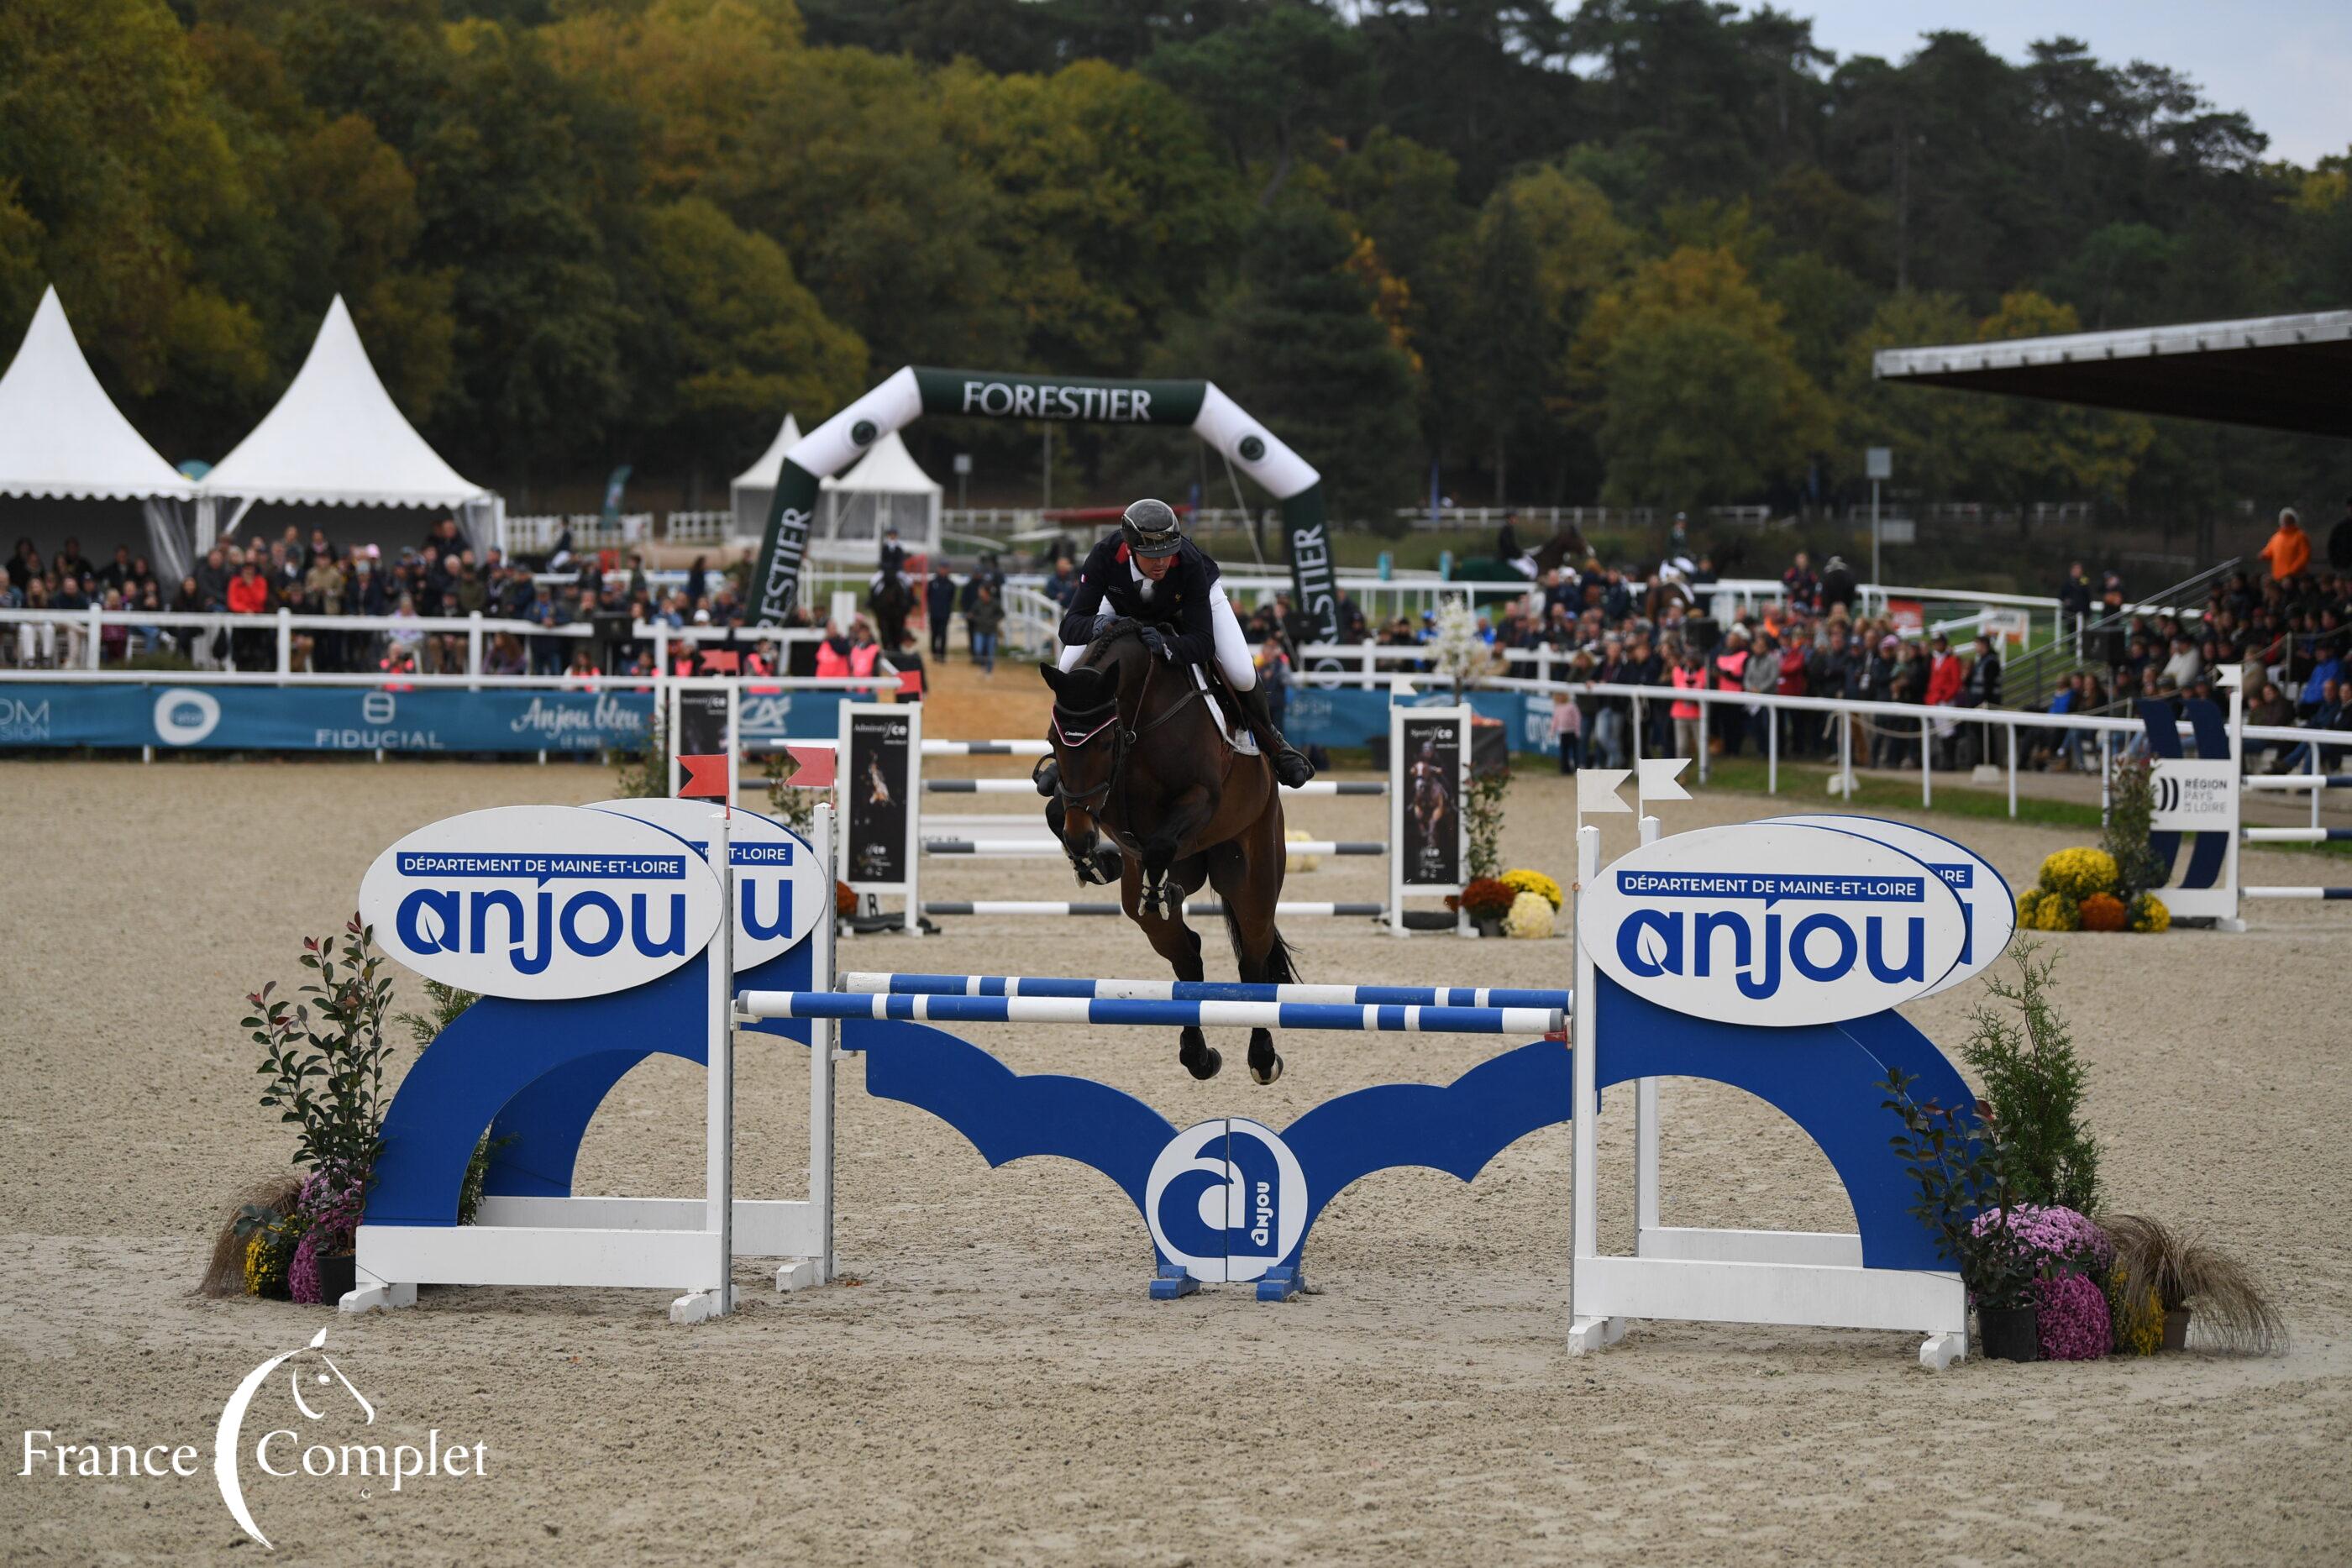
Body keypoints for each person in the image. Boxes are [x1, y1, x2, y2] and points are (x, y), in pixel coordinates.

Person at [1040, 497, 1313, 789]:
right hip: (1121, 604)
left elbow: (1203, 643)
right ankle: (1064, 752)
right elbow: (1070, 627)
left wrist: (1167, 644)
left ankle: (1274, 744)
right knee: (1068, 667)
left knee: (1242, 674)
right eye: (1151, 555)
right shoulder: (1104, 556)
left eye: (1167, 553)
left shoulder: (1189, 561)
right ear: (1130, 548)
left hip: (1193, 600)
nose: (1161, 563)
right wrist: (1100, 625)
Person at [2259, 507, 2311, 581]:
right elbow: (2269, 551)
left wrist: (2292, 571)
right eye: (2284, 519)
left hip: (2294, 578)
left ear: (2294, 520)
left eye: (2289, 519)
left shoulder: (2300, 536)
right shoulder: (2276, 537)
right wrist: (2263, 555)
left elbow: (2304, 556)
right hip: (2278, 577)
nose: (2286, 521)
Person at [925, 564, 957, 659]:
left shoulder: (950, 584)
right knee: (934, 634)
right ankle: (934, 653)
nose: (943, 570)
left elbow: (952, 598)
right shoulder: (932, 583)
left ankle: (942, 654)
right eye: (942, 568)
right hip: (934, 613)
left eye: (945, 568)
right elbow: (928, 596)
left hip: (944, 614)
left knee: (943, 634)